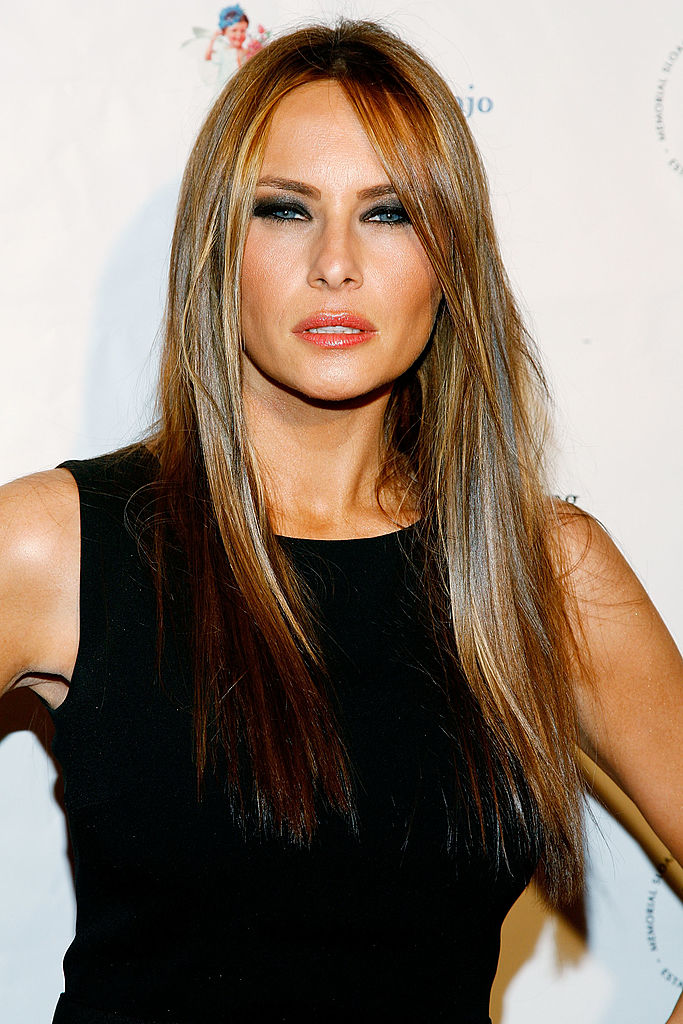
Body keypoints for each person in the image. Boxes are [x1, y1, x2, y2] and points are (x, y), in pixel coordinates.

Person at [1, 18, 681, 1024]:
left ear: (450, 259)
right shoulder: (55, 546)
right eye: (285, 210)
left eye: (389, 212)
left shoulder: (541, 570)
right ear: (217, 249)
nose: (334, 263)